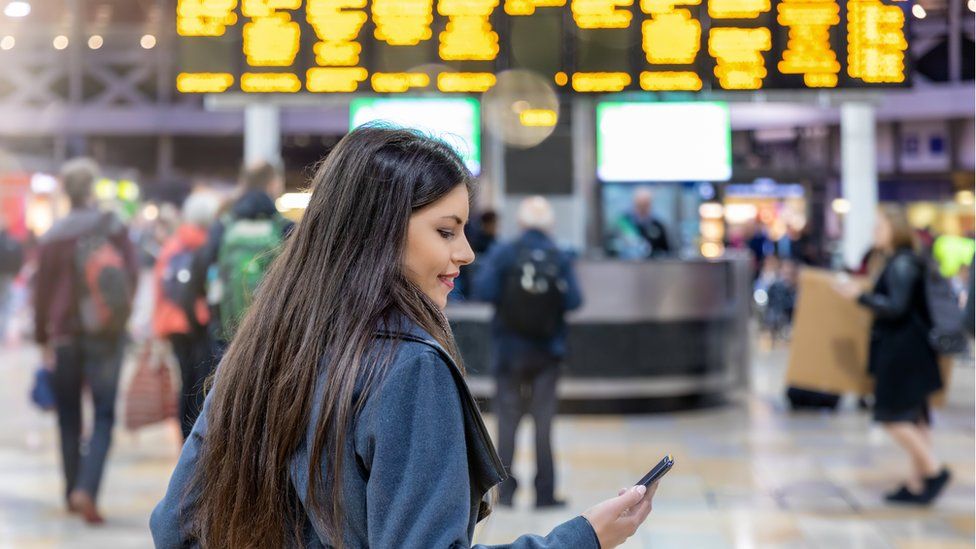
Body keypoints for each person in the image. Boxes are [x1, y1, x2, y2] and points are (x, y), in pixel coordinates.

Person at [151, 127, 656, 548]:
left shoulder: (263, 347)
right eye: (445, 231)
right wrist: (583, 537)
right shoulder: (409, 367)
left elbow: (173, 525)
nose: (466, 253)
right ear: (382, 230)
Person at [33, 157, 139, 524]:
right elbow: (132, 275)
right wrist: (120, 318)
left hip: (63, 336)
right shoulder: (112, 226)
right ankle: (88, 490)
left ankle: (70, 490)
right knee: (105, 414)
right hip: (106, 335)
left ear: (64, 191)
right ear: (92, 189)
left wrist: (41, 337)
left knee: (68, 416)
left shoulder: (53, 235)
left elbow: (40, 293)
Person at [474, 196, 583, 508]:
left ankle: (505, 494)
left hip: (509, 352)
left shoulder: (505, 252)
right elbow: (574, 301)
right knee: (543, 425)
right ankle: (545, 492)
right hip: (547, 354)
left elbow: (484, 291)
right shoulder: (559, 255)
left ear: (520, 223)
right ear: (549, 224)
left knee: (507, 423)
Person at [836, 205, 950, 505]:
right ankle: (917, 483)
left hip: (903, 353)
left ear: (895, 230)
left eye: (880, 226)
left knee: (892, 417)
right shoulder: (905, 261)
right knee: (916, 420)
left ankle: (933, 472)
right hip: (915, 351)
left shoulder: (901, 263)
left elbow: (896, 307)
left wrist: (858, 296)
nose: (875, 231)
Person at [189, 160, 292, 362]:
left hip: (227, 335)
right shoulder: (284, 228)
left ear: (243, 183)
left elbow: (199, 269)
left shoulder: (224, 225)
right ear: (272, 184)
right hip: (273, 337)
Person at [153, 191, 220, 440]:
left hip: (172, 323)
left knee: (185, 384)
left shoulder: (173, 244)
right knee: (201, 386)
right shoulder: (208, 243)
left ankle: (184, 441)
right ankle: (197, 440)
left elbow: (159, 287)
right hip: (197, 322)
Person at [612, 188, 672, 259]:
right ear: (634, 203)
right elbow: (612, 247)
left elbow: (667, 250)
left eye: (645, 204)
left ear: (650, 204)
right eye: (640, 204)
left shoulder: (658, 224)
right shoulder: (624, 222)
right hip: (627, 266)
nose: (642, 208)